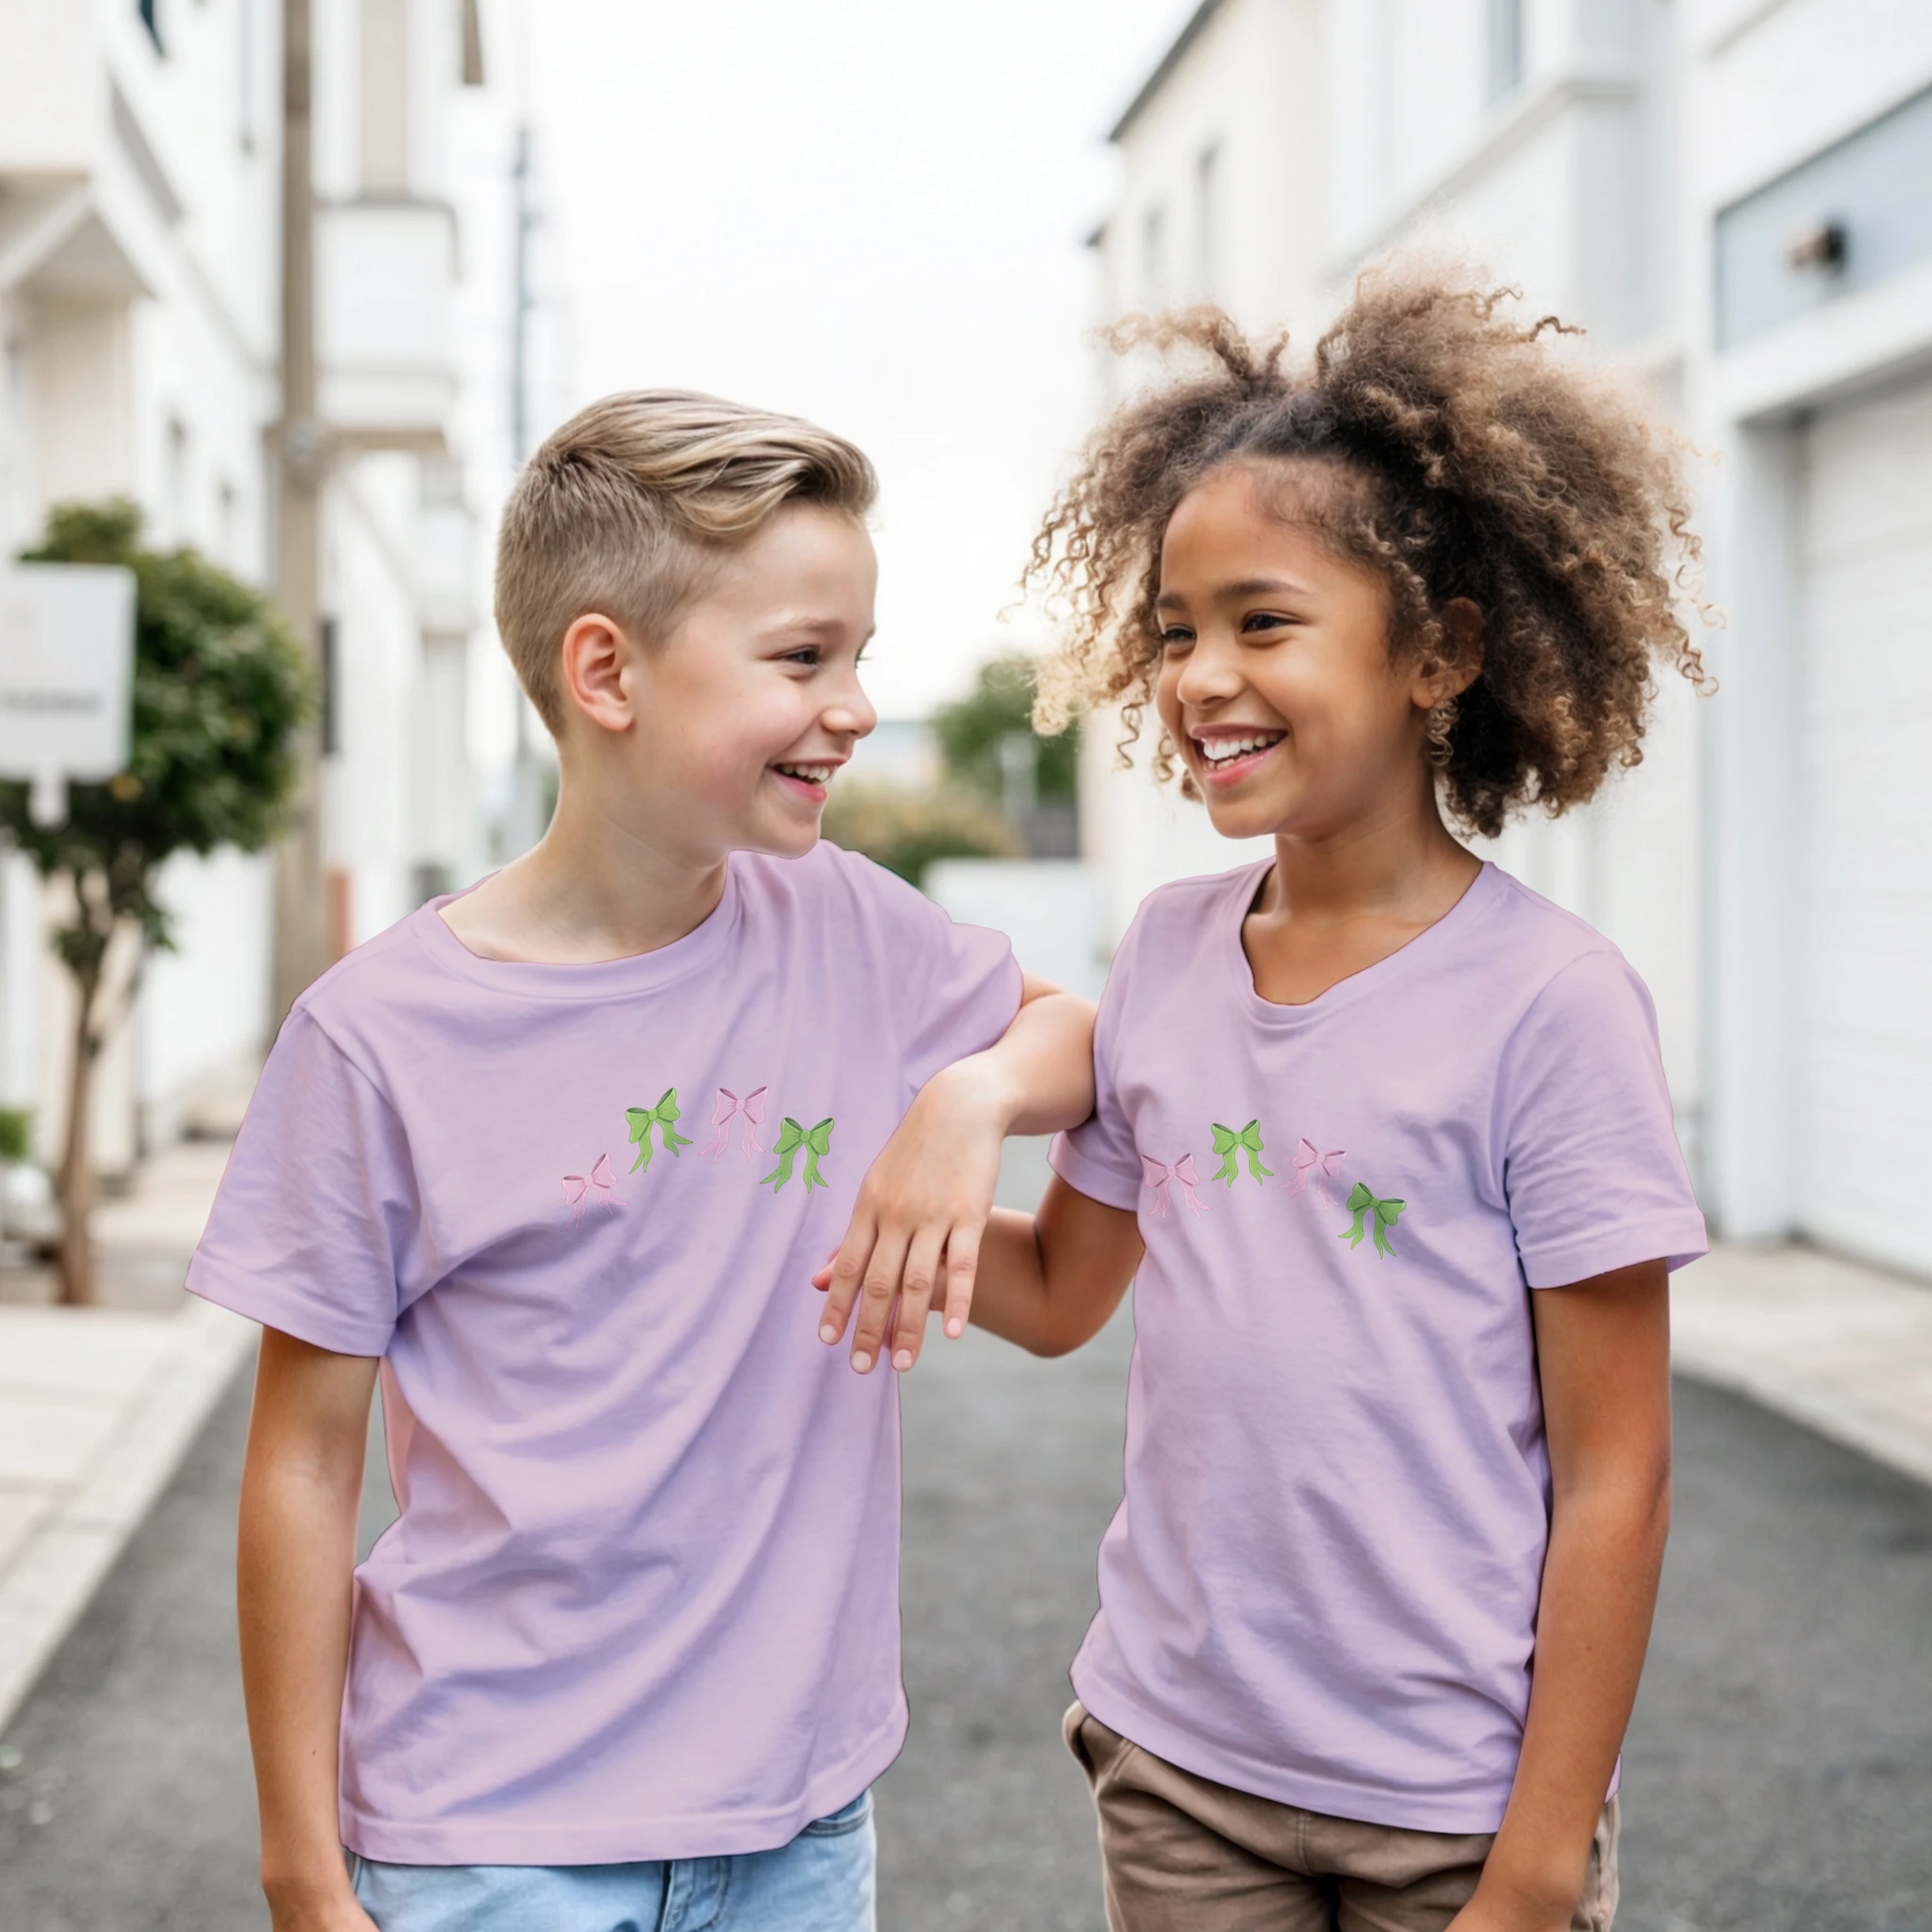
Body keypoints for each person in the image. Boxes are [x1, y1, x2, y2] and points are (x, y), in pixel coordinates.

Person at [820, 273, 1711, 1931]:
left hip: (1457, 1804)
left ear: (1439, 647)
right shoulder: (1163, 957)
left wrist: (1533, 1862)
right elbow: (1060, 1295)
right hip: (1185, 1768)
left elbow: (1618, 1475)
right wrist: (883, 1166)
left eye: (1262, 620)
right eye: (1172, 630)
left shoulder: (1553, 1005)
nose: (1198, 675)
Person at [192, 391, 1095, 1932]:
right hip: (487, 1837)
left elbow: (1080, 1033)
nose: (858, 704)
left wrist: (973, 1095)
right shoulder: (376, 1040)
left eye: (860, 655)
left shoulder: (858, 933)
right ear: (603, 668)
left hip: (797, 1826)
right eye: (804, 657)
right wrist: (301, 1866)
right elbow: (301, 1462)